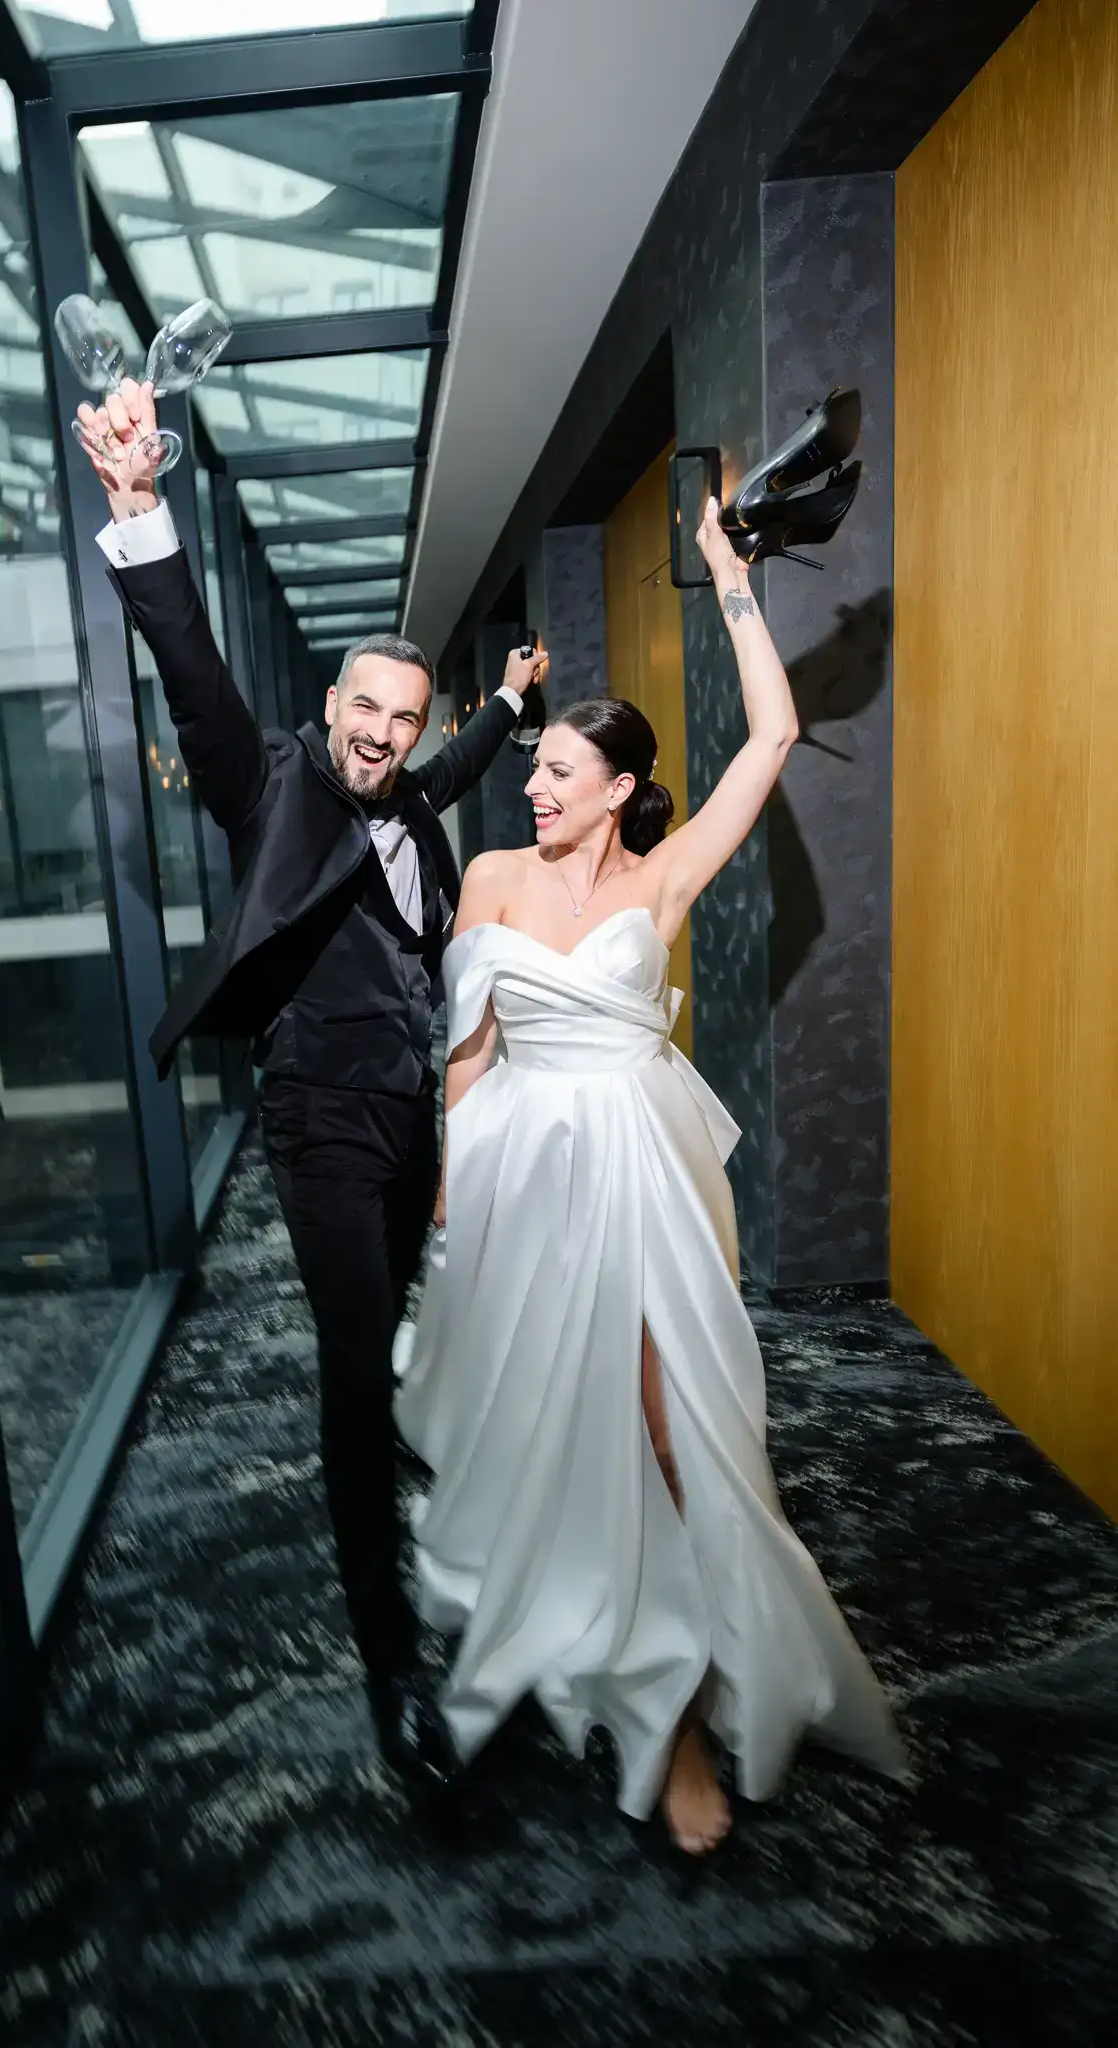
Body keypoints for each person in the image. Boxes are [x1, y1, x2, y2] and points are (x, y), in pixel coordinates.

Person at [395, 497, 909, 1852]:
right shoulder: (493, 879)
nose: (536, 783)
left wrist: (734, 578)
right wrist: (450, 1180)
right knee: (563, 1430)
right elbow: (468, 1047)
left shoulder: (667, 882)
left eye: (563, 769)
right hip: (524, 1176)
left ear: (621, 790)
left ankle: (685, 1694)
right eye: (537, 765)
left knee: (673, 1431)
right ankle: (620, 1671)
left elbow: (779, 737)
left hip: (641, 1170)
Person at [78, 378, 545, 1797]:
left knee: (392, 1323)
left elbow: (453, 771)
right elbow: (194, 675)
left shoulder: (410, 786)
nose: (384, 734)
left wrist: (509, 707)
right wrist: (142, 509)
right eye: (367, 710)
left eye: (404, 719)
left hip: (414, 1118)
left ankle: (407, 1484)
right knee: (356, 1369)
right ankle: (390, 1669)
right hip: (318, 1122)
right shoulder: (268, 776)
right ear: (329, 705)